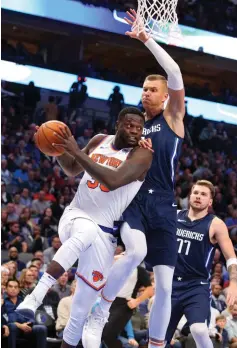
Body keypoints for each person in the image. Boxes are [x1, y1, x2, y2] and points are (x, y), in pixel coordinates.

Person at [83, 8, 185, 348]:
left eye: (151, 89)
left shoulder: (173, 116)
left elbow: (174, 70)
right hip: (136, 199)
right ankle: (101, 310)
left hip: (165, 204)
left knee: (166, 285)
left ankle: (157, 343)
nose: (145, 93)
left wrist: (146, 38)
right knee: (135, 251)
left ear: (166, 95)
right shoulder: (134, 125)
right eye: (143, 89)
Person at [16, 106, 153, 348]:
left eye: (139, 128)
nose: (134, 131)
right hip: (76, 215)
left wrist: (75, 151)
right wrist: (56, 147)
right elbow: (71, 169)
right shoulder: (100, 140)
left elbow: (112, 181)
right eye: (129, 125)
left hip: (105, 234)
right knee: (86, 229)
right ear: (118, 124)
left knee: (80, 311)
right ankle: (34, 297)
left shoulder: (142, 155)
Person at [165, 180, 237, 348]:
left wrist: (233, 282)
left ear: (210, 201)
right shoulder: (174, 216)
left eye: (203, 194)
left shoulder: (215, 224)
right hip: (169, 283)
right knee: (158, 337)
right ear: (190, 196)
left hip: (196, 285)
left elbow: (231, 257)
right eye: (196, 192)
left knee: (198, 329)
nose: (198, 196)